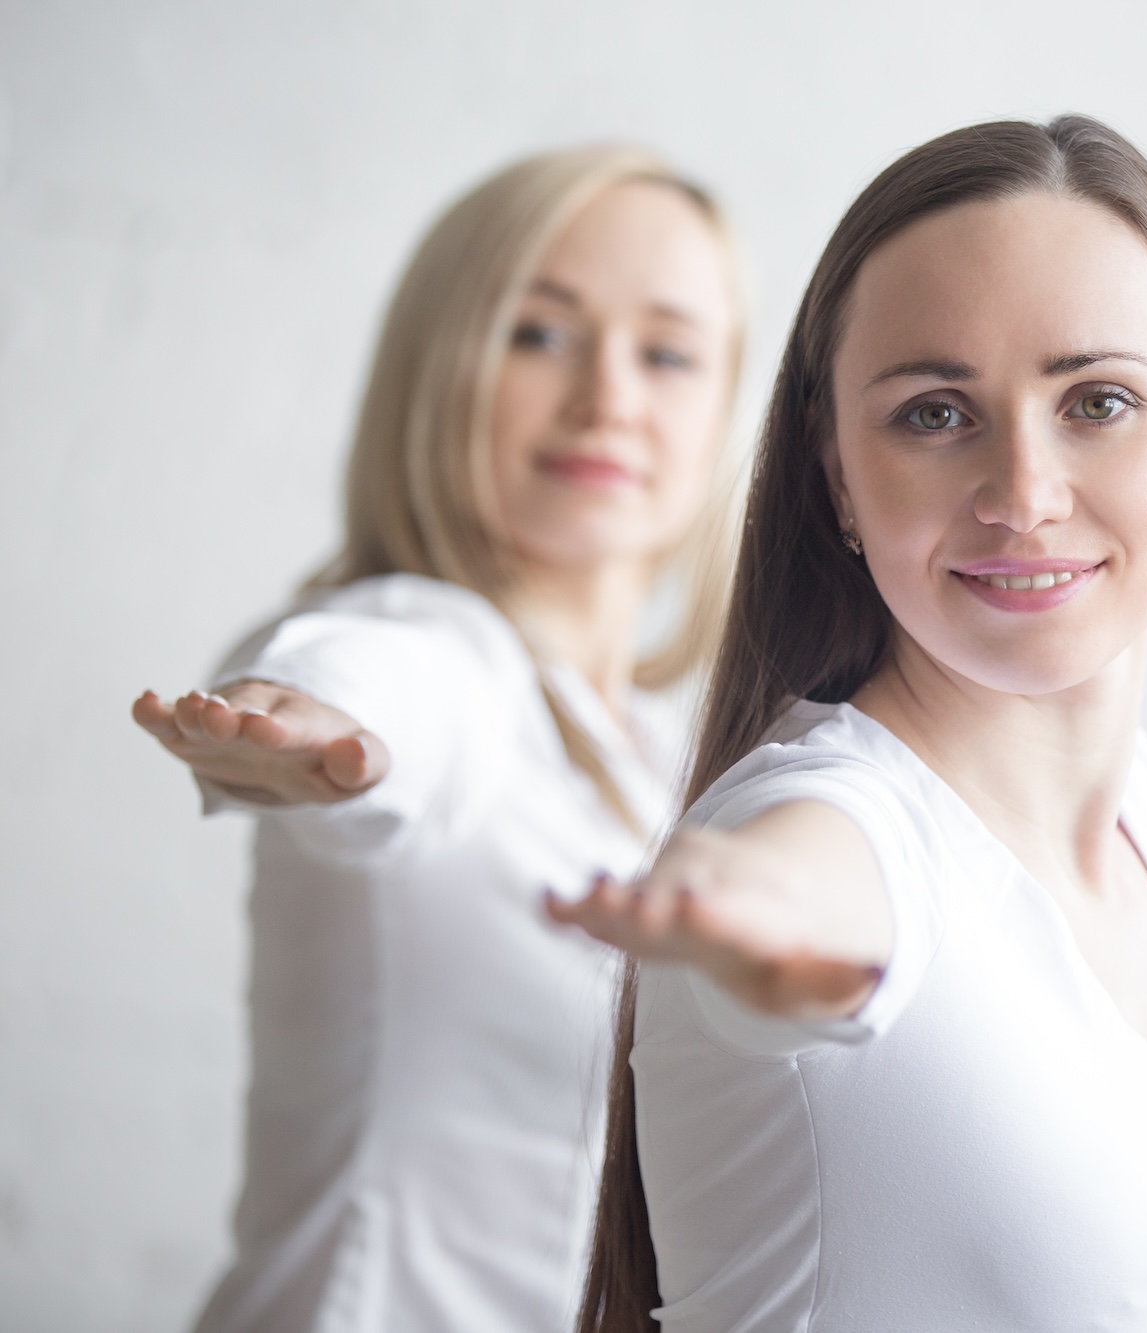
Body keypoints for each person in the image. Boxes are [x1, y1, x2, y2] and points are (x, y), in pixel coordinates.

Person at [549, 115, 1147, 1333]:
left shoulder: (1145, 816)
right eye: (932, 414)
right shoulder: (826, 825)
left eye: (1099, 401)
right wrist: (729, 905)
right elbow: (800, 885)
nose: (1023, 493)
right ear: (836, 473)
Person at [129, 145, 744, 1333]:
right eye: (539, 332)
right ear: (436, 366)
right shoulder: (432, 649)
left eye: (667, 353)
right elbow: (376, 686)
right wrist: (302, 717)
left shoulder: (670, 752)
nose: (609, 395)